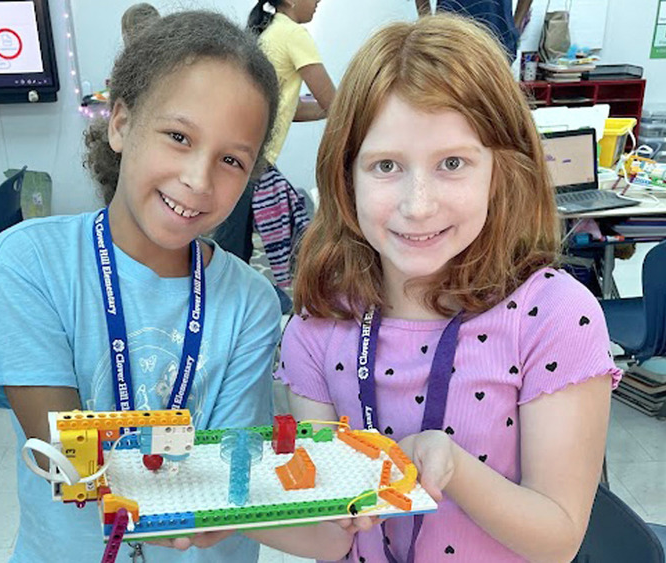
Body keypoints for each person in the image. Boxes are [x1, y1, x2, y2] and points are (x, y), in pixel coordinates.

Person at [252, 14, 621, 560]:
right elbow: (333, 533)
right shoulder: (318, 326)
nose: (417, 204)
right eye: (385, 166)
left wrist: (455, 468)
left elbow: (559, 538)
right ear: (344, 175)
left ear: (503, 170)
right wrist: (226, 518)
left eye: (452, 163)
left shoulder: (555, 317)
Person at [0, 11, 282, 563]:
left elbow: (233, 470)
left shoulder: (250, 301)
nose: (199, 180)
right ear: (121, 123)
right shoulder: (29, 263)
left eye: (232, 160)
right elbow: (65, 456)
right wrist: (190, 454)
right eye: (178, 136)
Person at [215, 0, 336, 288]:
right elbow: (335, 102)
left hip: (243, 154)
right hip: (248, 157)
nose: (319, 1)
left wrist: (327, 108)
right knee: (230, 252)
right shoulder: (294, 35)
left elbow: (287, 108)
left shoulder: (273, 31)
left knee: (235, 247)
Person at [414, 0, 532, 62]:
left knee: (490, 104)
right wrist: (427, 24)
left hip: (499, 40)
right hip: (449, 40)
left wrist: (514, 29)